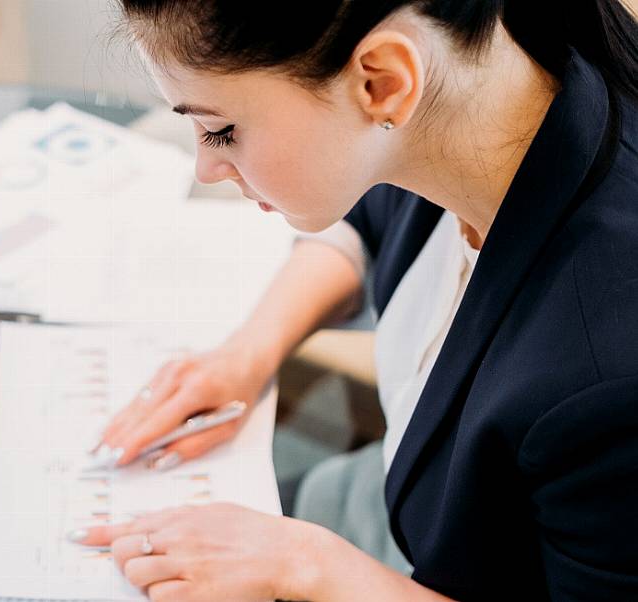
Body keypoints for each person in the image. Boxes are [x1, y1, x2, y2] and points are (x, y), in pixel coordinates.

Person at [69, 1, 638, 600]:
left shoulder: (607, 376)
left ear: (382, 81)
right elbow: (372, 217)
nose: (207, 166)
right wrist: (250, 351)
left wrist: (310, 567)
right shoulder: (487, 89)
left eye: (220, 129)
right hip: (389, 499)